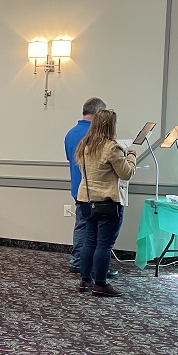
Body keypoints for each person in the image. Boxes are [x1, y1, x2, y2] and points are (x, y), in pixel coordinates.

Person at [75, 109, 136, 297]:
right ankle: (100, 284)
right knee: (104, 245)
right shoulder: (111, 148)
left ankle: (85, 280)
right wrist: (131, 157)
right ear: (111, 126)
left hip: (86, 199)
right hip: (107, 202)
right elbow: (126, 173)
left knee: (89, 241)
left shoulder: (84, 145)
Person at [65, 97, 111, 277]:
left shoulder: (70, 133)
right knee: (94, 231)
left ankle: (78, 261)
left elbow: (70, 159)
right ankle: (85, 264)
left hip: (77, 187)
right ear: (99, 114)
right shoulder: (95, 136)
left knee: (81, 225)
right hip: (94, 189)